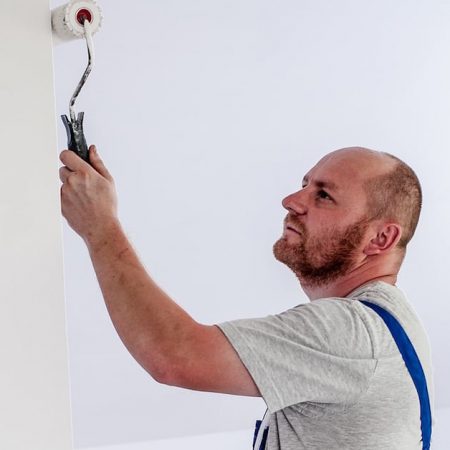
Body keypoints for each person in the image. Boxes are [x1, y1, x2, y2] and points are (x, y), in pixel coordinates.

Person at [59, 145, 434, 449]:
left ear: (381, 238)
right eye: (304, 184)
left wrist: (100, 226)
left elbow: (174, 355)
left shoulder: (353, 333)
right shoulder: (386, 321)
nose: (291, 200)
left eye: (323, 195)